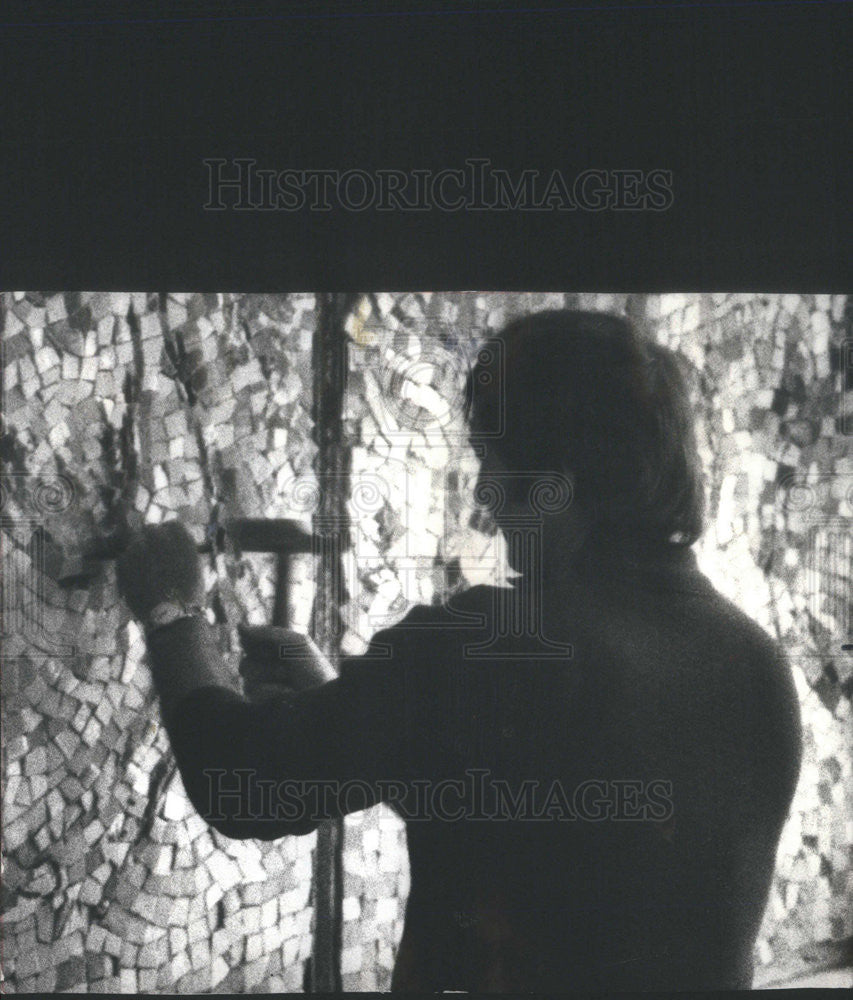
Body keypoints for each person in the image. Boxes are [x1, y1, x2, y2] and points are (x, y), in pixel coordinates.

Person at [117, 310, 802, 991]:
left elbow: (243, 783)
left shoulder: (494, 646)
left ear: (555, 482)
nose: (481, 497)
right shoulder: (754, 661)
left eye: (491, 465)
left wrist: (173, 611)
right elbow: (540, 829)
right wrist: (350, 702)